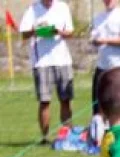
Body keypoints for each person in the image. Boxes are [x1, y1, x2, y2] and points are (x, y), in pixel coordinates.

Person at [19, 0, 74, 142]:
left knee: (65, 99)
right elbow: (24, 34)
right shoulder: (32, 9)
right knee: (44, 101)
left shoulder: (62, 7)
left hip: (62, 59)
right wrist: (36, 30)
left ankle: (67, 135)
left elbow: (70, 32)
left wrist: (58, 31)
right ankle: (45, 137)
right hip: (41, 62)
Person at [90, 0, 120, 116]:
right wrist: (95, 41)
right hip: (102, 66)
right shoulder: (98, 18)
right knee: (98, 106)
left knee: (119, 104)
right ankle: (100, 131)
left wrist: (105, 41)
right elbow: (95, 38)